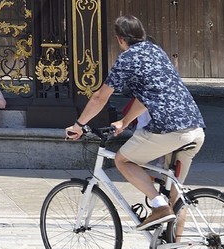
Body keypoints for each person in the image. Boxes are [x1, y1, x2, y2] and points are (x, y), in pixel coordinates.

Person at [66, 14, 205, 233]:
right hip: (195, 128)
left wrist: (78, 125)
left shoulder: (127, 59)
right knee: (176, 195)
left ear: (120, 39)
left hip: (168, 130)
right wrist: (124, 121)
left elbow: (99, 98)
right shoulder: (156, 51)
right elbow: (147, 97)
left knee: (123, 160)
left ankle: (158, 206)